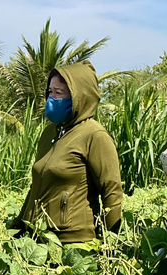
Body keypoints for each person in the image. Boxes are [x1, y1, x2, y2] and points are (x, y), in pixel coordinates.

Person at [12, 62, 123, 243]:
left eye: (59, 93)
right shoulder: (50, 132)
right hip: (38, 238)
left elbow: (112, 192)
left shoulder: (95, 135)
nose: (51, 98)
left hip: (73, 241)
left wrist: (110, 243)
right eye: (50, 92)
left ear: (79, 97)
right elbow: (37, 186)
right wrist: (18, 226)